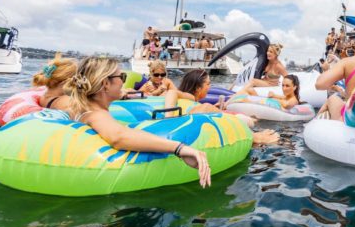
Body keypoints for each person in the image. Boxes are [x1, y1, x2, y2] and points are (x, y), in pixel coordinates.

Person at [64, 56, 211, 187]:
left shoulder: (82, 109)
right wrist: (180, 148)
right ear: (106, 84)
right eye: (121, 76)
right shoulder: (95, 114)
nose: (123, 82)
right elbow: (119, 137)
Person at [179, 69, 279, 144]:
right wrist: (255, 137)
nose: (210, 87)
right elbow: (204, 108)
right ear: (197, 88)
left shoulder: (184, 100)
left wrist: (216, 109)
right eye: (208, 84)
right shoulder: (190, 100)